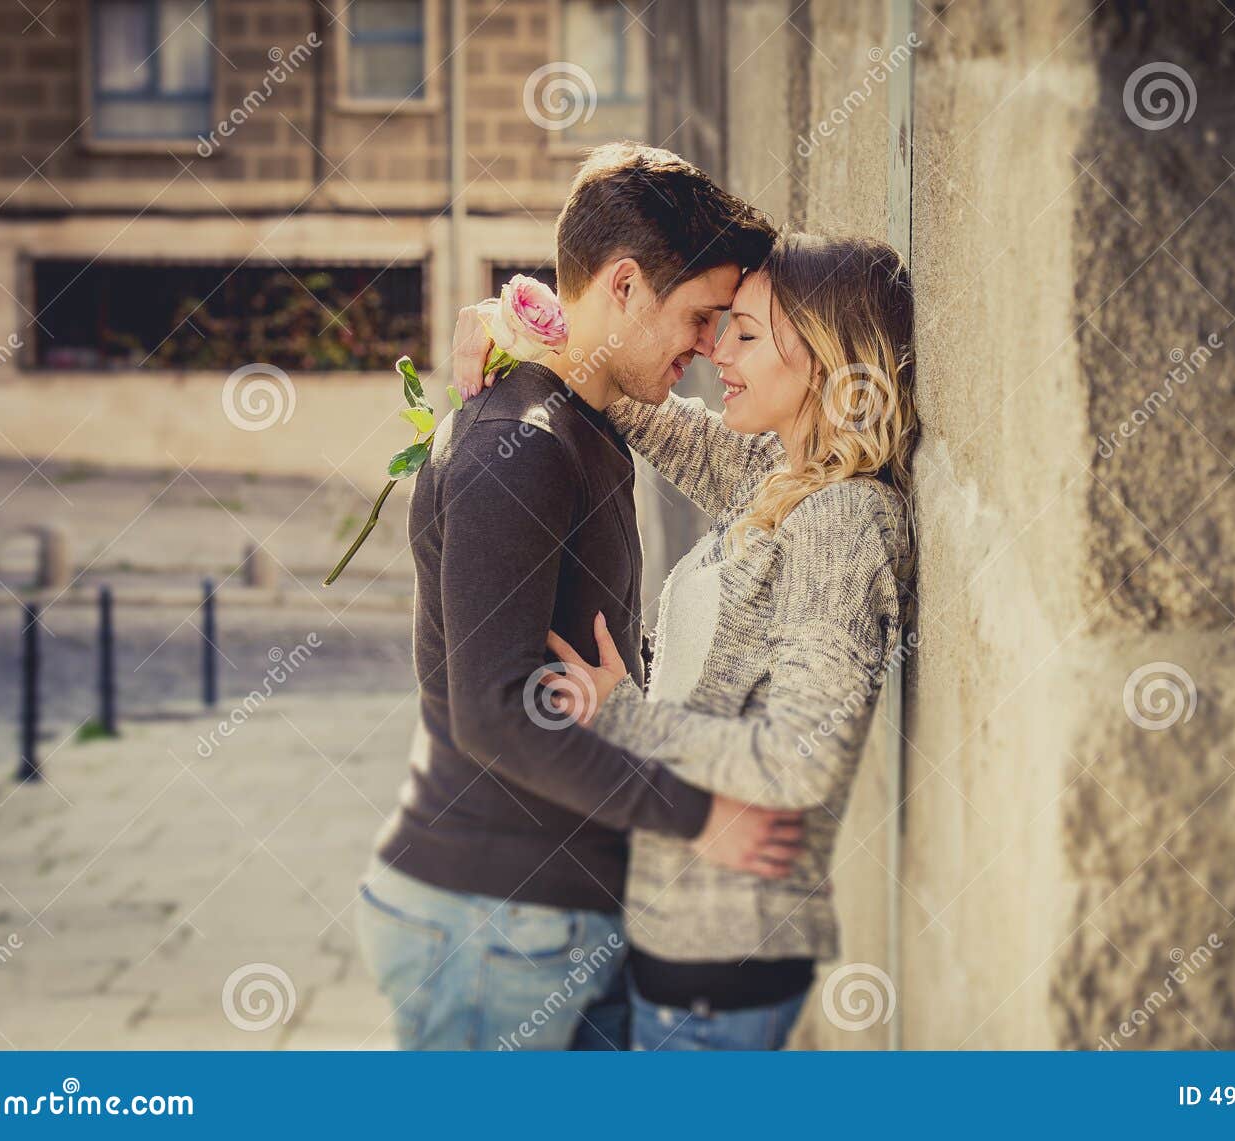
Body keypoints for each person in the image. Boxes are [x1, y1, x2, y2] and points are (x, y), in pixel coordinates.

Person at [356, 143, 801, 1052]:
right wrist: (700, 816)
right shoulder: (516, 445)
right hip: (489, 925)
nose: (710, 347)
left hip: (557, 919)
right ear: (627, 286)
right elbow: (493, 709)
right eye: (701, 316)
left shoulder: (585, 424)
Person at [452, 229, 917, 1050]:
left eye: (743, 332)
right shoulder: (772, 479)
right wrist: (514, 324)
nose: (715, 354)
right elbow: (629, 391)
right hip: (668, 936)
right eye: (716, 327)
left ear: (823, 355)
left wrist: (623, 714)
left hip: (725, 963)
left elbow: (801, 756)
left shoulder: (844, 521)